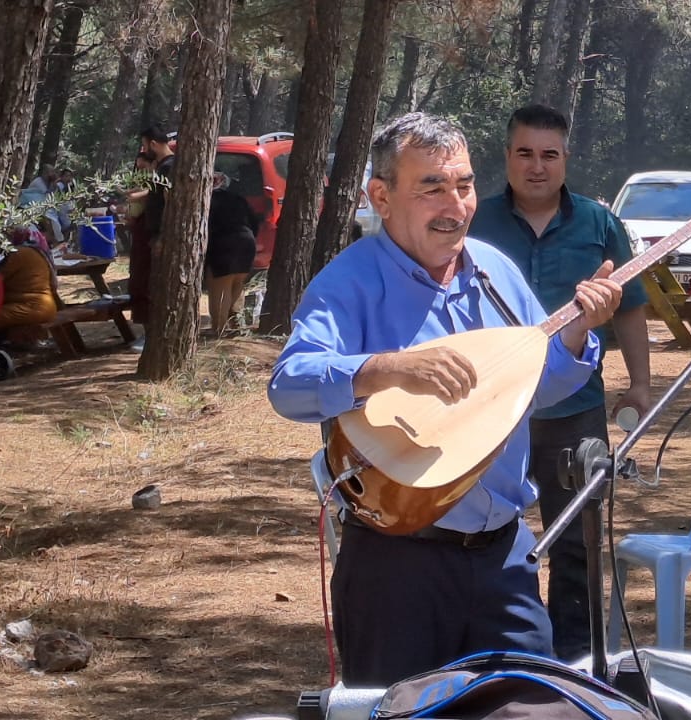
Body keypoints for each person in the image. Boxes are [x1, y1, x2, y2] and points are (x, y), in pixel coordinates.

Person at [267, 113, 623, 687]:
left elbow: (539, 386)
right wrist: (385, 368)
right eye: (431, 186)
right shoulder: (350, 280)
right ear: (380, 197)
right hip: (396, 561)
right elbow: (290, 383)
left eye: (463, 185)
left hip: (504, 557)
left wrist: (580, 333)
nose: (454, 205)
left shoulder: (496, 273)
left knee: (529, 703)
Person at [466, 103, 651, 661]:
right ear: (507, 157)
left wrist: (639, 384)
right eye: (525, 153)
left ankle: (574, 662)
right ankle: (495, 656)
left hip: (574, 407)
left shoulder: (600, 223)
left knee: (576, 540)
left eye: (549, 154)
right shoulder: (474, 221)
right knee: (482, 532)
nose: (537, 166)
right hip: (491, 409)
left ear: (566, 158)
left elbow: (631, 309)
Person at [130, 124, 177, 340]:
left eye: (144, 145)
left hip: (160, 234)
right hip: (153, 233)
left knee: (154, 285)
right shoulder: (163, 166)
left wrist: (164, 235)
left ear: (154, 144)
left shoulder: (169, 166)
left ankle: (155, 334)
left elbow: (168, 199)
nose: (144, 149)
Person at [204, 171, 259, 336]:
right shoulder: (239, 199)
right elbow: (254, 223)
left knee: (220, 288)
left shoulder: (208, 201)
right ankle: (232, 325)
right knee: (236, 284)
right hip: (247, 243)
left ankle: (219, 330)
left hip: (224, 245)